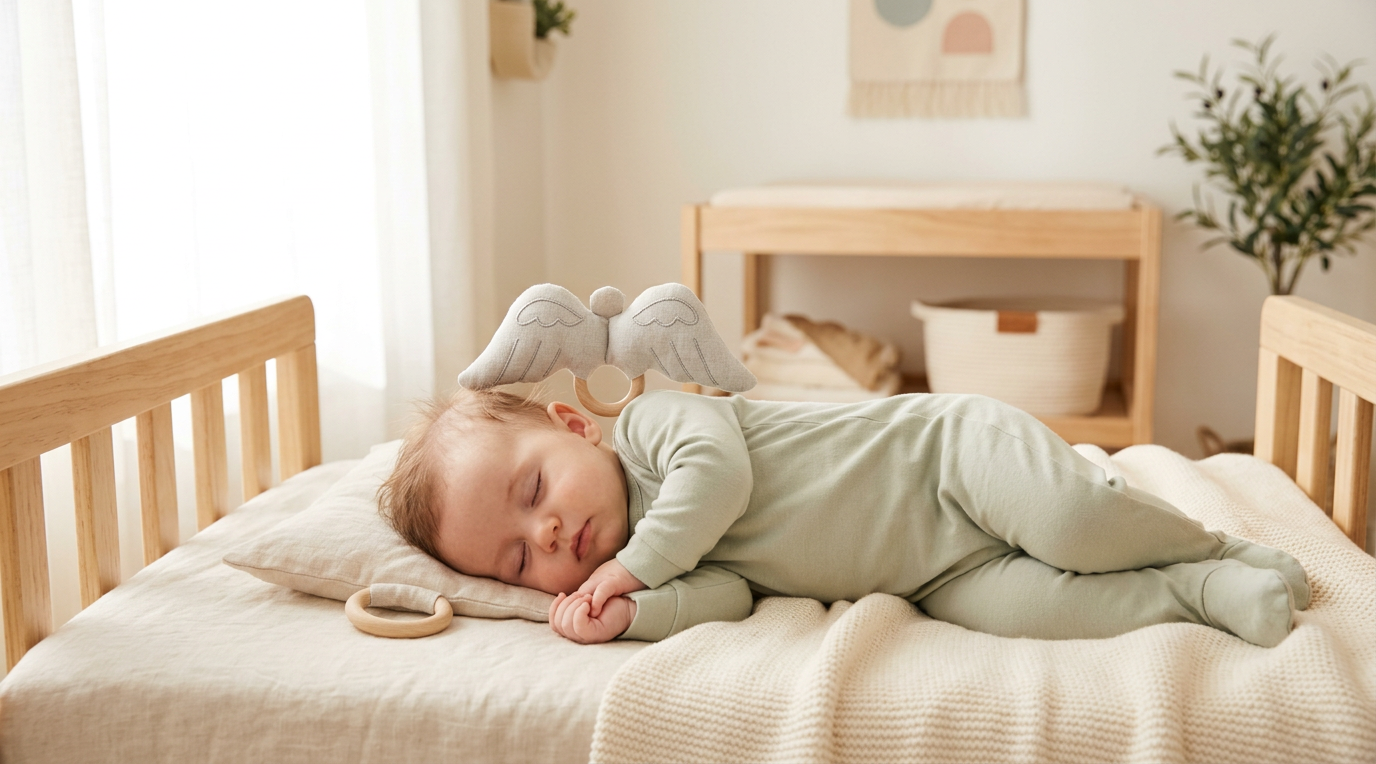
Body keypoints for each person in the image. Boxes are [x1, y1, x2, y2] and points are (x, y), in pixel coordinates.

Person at [379, 387, 1308, 648]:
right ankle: (1201, 591)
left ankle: (1216, 543)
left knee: (1071, 520)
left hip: (948, 458)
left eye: (534, 492)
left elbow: (721, 480)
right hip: (940, 575)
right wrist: (634, 614)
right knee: (1047, 613)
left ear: (577, 428)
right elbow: (727, 598)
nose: (543, 538)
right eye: (512, 561)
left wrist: (627, 570)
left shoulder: (658, 429)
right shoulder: (660, 570)